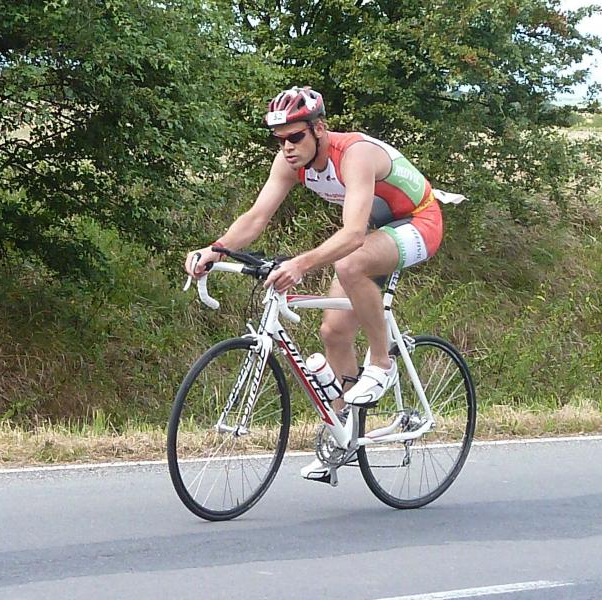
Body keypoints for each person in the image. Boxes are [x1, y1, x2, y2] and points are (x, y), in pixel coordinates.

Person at [185, 86, 459, 482]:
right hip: (376, 228)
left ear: (319, 128)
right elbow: (257, 217)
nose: (287, 147)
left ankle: (381, 364)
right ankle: (343, 434)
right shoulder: (289, 162)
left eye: (296, 136)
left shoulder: (354, 154)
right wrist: (216, 249)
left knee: (350, 263)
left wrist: (300, 264)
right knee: (333, 332)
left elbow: (352, 235)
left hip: (419, 221)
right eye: (279, 140)